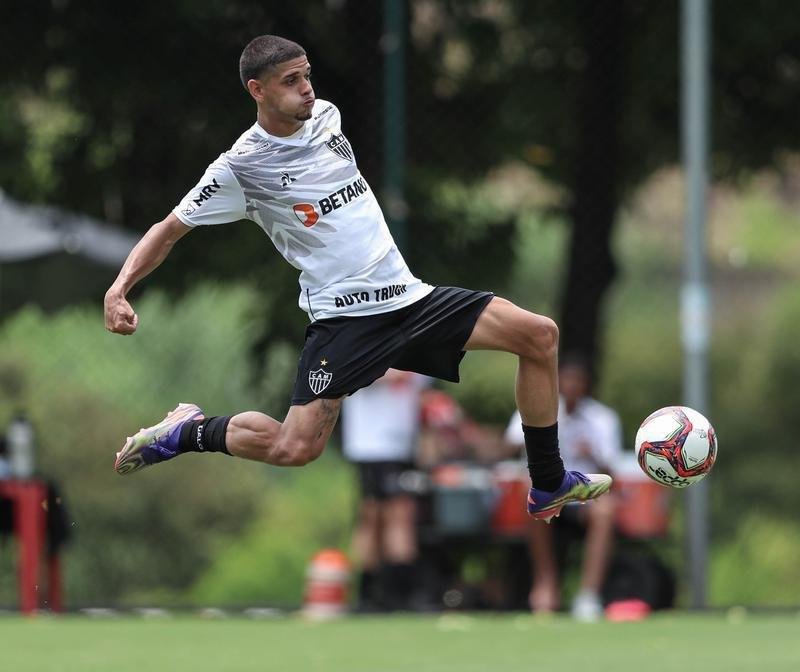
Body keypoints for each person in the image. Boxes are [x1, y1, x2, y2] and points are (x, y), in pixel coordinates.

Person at [104, 34, 612, 524]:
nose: (307, 89)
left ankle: (547, 482)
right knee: (294, 448)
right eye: (290, 81)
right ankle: (189, 431)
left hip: (410, 300)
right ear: (257, 91)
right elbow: (167, 230)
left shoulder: (326, 117)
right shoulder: (240, 168)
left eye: (307, 76)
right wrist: (119, 287)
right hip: (347, 321)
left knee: (539, 335)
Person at [505, 355, 623, 621]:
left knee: (605, 511)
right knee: (531, 492)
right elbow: (510, 445)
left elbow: (612, 472)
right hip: (549, 489)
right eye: (566, 380)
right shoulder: (537, 405)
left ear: (586, 385)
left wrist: (592, 453)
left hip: (584, 494)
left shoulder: (602, 418)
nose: (570, 386)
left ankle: (588, 595)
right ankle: (545, 585)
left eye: (577, 381)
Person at [341, 369, 428, 611]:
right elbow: (349, 372)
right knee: (376, 516)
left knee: (399, 514)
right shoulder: (363, 340)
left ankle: (395, 592)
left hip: (402, 445)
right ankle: (376, 593)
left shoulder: (418, 342)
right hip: (373, 444)